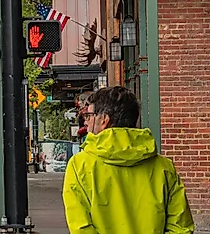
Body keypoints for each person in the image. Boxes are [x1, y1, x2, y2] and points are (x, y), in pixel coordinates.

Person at [63, 86, 194, 233]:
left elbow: (81, 228)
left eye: (89, 115)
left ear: (104, 120)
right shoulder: (164, 167)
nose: (85, 122)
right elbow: (181, 227)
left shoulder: (79, 165)